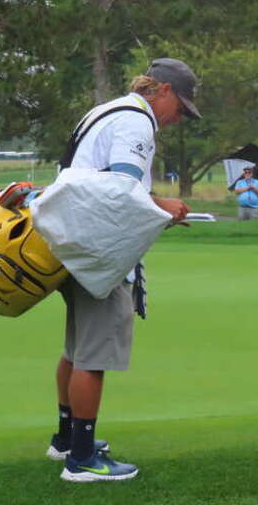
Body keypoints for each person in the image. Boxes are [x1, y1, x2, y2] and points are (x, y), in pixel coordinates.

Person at [46, 58, 200, 482]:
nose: (179, 119)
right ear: (163, 91)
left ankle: (66, 438)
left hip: (71, 241)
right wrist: (161, 205)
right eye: (181, 108)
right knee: (93, 356)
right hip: (98, 250)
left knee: (77, 349)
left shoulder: (108, 109)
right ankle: (82, 459)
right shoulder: (137, 122)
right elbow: (121, 190)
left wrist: (155, 202)